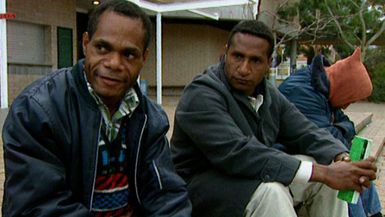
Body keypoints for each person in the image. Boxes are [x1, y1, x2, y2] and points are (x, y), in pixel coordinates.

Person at [2, 0, 191, 216]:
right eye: (103, 48)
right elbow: (37, 206)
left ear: (144, 58)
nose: (114, 63)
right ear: (85, 43)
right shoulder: (37, 110)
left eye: (128, 54)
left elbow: (166, 195)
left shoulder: (150, 118)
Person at [170, 20, 377, 217]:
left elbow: (305, 130)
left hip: (247, 177)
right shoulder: (202, 94)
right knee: (273, 191)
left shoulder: (268, 94)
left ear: (269, 62)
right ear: (225, 53)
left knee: (326, 175)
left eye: (255, 60)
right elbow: (238, 153)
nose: (243, 68)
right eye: (237, 56)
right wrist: (324, 172)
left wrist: (342, 159)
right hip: (198, 190)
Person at [279, 48, 383, 217]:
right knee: (345, 172)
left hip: (308, 153)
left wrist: (337, 128)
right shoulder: (301, 92)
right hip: (288, 159)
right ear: (345, 89)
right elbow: (323, 137)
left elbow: (346, 125)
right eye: (350, 100)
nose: (346, 106)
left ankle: (374, 213)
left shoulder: (324, 88)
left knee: (358, 167)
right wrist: (337, 131)